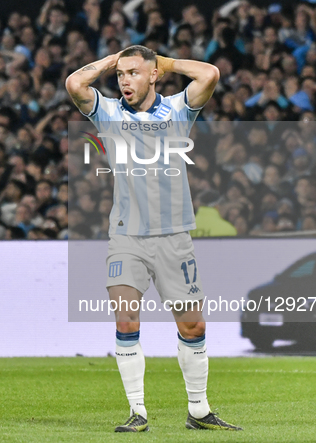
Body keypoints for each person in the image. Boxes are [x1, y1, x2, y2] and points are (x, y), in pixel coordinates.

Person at [66, 45, 242, 432]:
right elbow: (75, 82)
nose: (124, 81)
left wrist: (168, 62)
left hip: (174, 237)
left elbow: (210, 74)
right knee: (126, 318)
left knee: (193, 327)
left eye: (132, 73)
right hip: (127, 236)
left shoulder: (178, 109)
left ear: (152, 76)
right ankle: (138, 412)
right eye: (120, 75)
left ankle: (198, 410)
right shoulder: (108, 112)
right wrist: (110, 61)